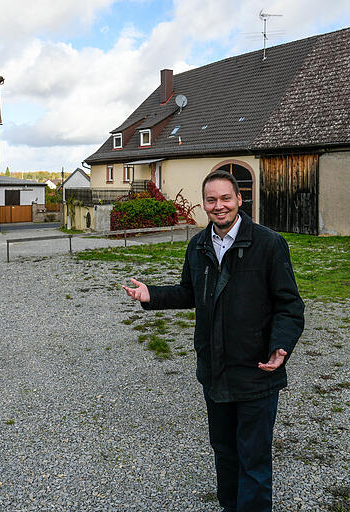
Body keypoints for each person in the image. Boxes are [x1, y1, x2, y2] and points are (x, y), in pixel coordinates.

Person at [123, 170, 305, 512]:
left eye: (225, 198)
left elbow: (290, 304)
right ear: (204, 204)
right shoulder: (199, 245)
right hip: (215, 369)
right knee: (224, 451)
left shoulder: (268, 244)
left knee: (253, 457)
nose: (218, 206)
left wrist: (281, 344)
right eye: (211, 200)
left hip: (256, 368)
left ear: (239, 199)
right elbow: (189, 293)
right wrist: (152, 295)